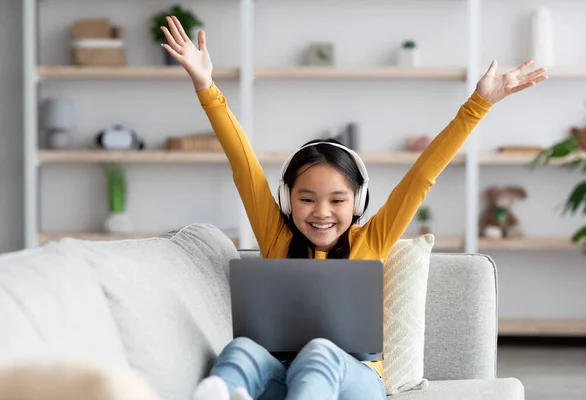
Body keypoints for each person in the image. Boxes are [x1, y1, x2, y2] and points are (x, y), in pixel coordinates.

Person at [160, 15, 547, 400]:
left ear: (358, 202)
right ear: (287, 199)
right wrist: (205, 85)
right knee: (241, 350)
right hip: (285, 374)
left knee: (320, 351)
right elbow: (244, 166)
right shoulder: (276, 234)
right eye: (306, 199)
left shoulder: (373, 238)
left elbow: (422, 176)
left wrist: (478, 105)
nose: (321, 212)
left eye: (337, 200)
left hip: (357, 379)